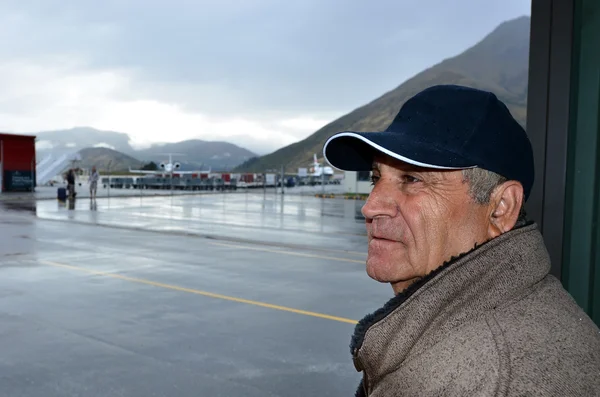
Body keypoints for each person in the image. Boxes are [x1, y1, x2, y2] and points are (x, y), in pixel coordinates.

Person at [323, 85, 600, 396]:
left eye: (412, 179)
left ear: (501, 207)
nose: (370, 207)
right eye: (376, 179)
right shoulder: (516, 322)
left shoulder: (474, 379)